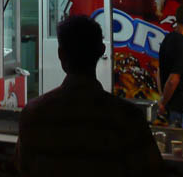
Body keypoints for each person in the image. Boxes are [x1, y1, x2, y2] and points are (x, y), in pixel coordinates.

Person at [15, 15, 163, 176]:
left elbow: (22, 169)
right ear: (101, 51)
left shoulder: (33, 115)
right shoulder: (128, 118)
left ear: (60, 54)